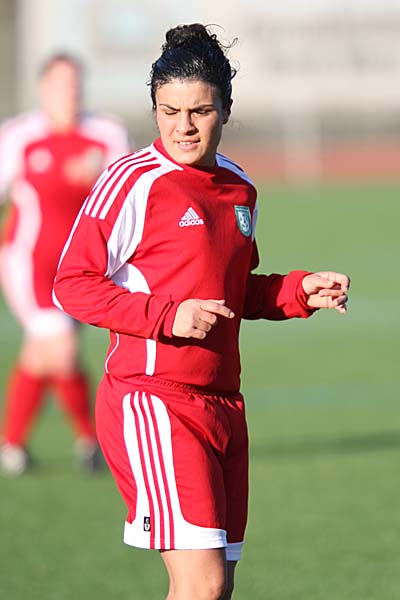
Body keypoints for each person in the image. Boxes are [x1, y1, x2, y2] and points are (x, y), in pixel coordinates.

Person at [53, 25, 350, 600]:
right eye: (169, 111)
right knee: (202, 585)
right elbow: (71, 285)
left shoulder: (239, 189)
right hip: (152, 399)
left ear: (226, 110)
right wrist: (167, 316)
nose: (183, 126)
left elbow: (233, 293)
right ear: (155, 110)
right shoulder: (131, 182)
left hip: (224, 405)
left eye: (200, 111)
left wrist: (298, 291)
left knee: (218, 588)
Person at [0, 53, 131, 475]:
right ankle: (92, 442)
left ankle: (13, 445)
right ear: (43, 89)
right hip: (29, 261)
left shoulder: (106, 134)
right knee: (60, 346)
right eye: (59, 83)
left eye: (74, 82)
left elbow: (126, 197)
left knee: (44, 354)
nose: (68, 91)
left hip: (83, 265)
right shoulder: (19, 136)